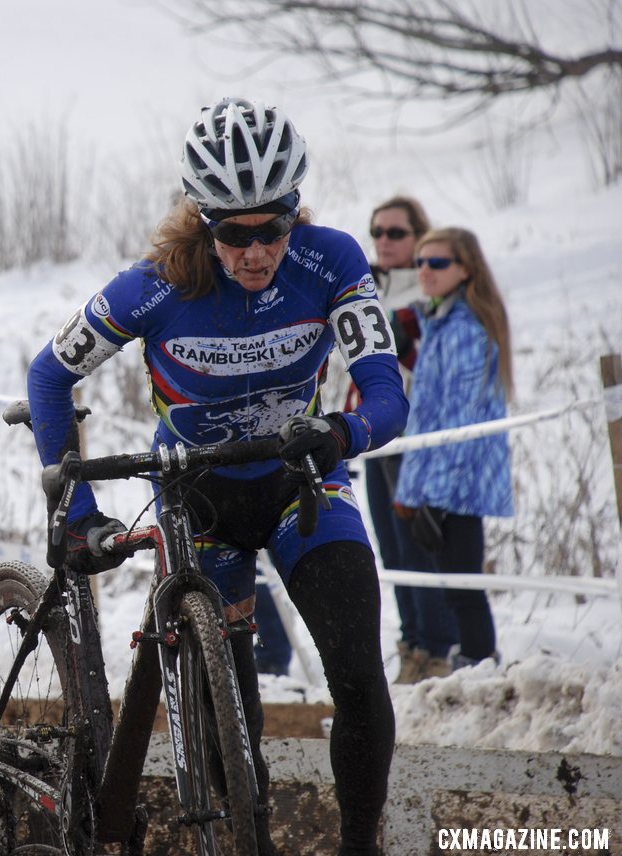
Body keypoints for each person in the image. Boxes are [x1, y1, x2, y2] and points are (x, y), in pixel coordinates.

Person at [27, 97, 408, 856]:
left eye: (273, 226)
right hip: (198, 500)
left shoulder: (329, 260)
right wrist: (77, 509)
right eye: (234, 233)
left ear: (296, 211)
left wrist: (343, 431)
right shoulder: (155, 286)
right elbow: (48, 376)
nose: (256, 249)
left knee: (361, 679)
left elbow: (388, 394)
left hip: (302, 486)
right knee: (230, 711)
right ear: (203, 220)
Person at [393, 228, 513, 670]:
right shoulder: (440, 323)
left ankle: (479, 665)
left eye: (438, 262)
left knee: (462, 588)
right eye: (421, 261)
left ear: (465, 270)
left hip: (458, 487)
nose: (425, 270)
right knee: (450, 584)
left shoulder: (464, 330)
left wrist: (435, 501)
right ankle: (474, 664)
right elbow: (427, 415)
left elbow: (460, 423)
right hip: (438, 484)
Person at [363, 197, 458, 684]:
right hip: (377, 435)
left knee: (421, 540)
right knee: (391, 545)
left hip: (422, 433)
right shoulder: (367, 290)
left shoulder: (430, 289)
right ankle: (413, 647)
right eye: (377, 231)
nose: (383, 240)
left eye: (396, 232)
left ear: (419, 235)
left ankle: (440, 649)